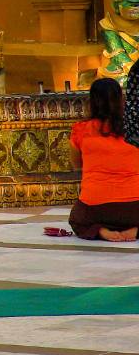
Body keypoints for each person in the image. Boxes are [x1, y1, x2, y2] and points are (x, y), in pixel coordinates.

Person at [68, 76, 139, 241]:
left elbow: (76, 165)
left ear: (92, 101)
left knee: (77, 219)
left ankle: (100, 230)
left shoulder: (81, 130)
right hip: (135, 208)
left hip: (95, 208)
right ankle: (135, 230)